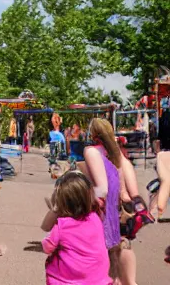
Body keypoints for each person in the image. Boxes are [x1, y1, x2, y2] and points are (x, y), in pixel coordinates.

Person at [80, 118, 130, 285]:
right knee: (110, 270)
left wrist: (75, 197)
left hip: (100, 219)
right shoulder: (114, 157)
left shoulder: (91, 152)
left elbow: (102, 189)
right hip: (112, 219)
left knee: (94, 270)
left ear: (93, 134)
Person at [40, 170, 110, 285]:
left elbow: (47, 247)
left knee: (54, 262)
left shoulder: (62, 225)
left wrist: (55, 209)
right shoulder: (95, 218)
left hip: (68, 280)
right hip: (98, 279)